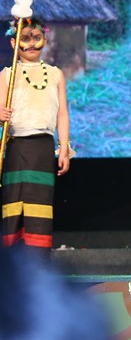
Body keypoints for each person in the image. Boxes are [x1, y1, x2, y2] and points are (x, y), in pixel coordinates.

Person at [0, 17, 73, 251]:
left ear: (45, 40)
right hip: (17, 147)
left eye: (36, 38)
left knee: (39, 204)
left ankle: (38, 259)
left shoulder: (55, 74)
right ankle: (13, 260)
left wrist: (64, 148)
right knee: (14, 204)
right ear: (14, 43)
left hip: (43, 148)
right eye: (25, 39)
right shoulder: (7, 75)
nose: (31, 44)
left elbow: (62, 113)